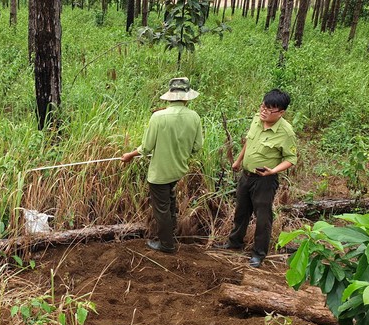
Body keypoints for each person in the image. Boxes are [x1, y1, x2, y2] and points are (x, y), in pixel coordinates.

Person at [121, 77, 203, 253]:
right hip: (178, 170)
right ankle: (170, 233)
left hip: (160, 173)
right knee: (170, 202)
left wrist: (129, 155)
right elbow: (197, 147)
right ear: (187, 97)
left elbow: (146, 147)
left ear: (170, 96)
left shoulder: (158, 117)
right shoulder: (194, 117)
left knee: (162, 208)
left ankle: (166, 244)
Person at [217, 89, 297, 268]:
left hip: (264, 180)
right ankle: (235, 241)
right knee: (241, 210)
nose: (264, 111)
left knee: (263, 217)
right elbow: (248, 142)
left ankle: (258, 253)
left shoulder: (286, 132)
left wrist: (273, 170)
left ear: (281, 112)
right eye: (263, 106)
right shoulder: (257, 119)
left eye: (269, 109)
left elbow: (291, 159)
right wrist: (238, 160)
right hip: (246, 175)